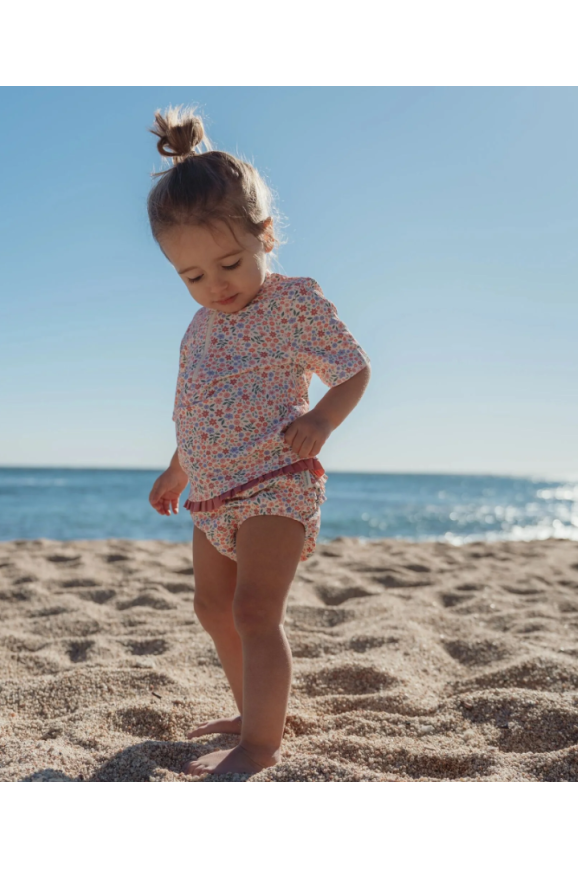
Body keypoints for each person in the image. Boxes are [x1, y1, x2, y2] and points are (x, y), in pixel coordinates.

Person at [147, 105, 371, 776]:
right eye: (192, 277)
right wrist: (177, 469)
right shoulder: (200, 330)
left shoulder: (292, 302)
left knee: (253, 608)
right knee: (212, 606)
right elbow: (196, 408)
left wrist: (323, 420)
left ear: (265, 236)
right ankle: (252, 709)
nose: (215, 287)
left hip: (276, 480)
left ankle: (261, 744)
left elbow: (353, 369)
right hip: (213, 494)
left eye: (229, 263)